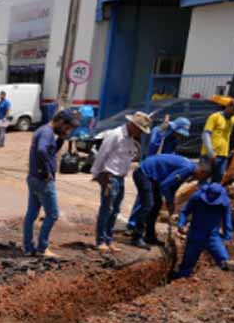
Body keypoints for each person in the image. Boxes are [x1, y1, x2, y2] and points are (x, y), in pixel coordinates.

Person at [23, 110, 79, 258]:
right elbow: (42, 150)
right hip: (43, 181)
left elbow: (50, 152)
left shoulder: (44, 131)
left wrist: (61, 138)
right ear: (60, 121)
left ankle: (28, 248)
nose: (67, 131)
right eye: (67, 127)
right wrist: (47, 171)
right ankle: (42, 248)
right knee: (53, 215)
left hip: (34, 178)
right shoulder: (46, 133)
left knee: (31, 214)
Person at [91, 111, 150, 252]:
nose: (140, 133)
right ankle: (100, 241)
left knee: (115, 210)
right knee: (107, 209)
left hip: (120, 177)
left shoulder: (130, 139)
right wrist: (96, 173)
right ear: (133, 125)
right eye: (140, 130)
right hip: (110, 176)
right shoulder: (116, 135)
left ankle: (108, 239)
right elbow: (102, 154)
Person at [130, 155, 210, 248]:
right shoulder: (187, 169)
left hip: (152, 177)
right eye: (203, 178)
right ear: (202, 172)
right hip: (143, 174)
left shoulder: (189, 169)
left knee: (157, 204)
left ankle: (149, 236)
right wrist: (170, 201)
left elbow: (173, 186)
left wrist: (171, 202)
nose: (198, 180)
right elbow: (165, 185)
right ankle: (136, 237)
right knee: (148, 205)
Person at [175, 182, 233, 278]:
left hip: (213, 236)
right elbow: (184, 212)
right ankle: (181, 279)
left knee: (224, 261)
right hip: (195, 234)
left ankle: (226, 282)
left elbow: (227, 220)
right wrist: (181, 224)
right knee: (187, 264)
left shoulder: (224, 202)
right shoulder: (197, 197)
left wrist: (228, 237)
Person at [202, 97, 234, 183]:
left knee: (218, 179)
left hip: (223, 156)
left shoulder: (232, 120)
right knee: (203, 179)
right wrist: (210, 152)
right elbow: (205, 134)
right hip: (209, 155)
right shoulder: (215, 117)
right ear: (229, 106)